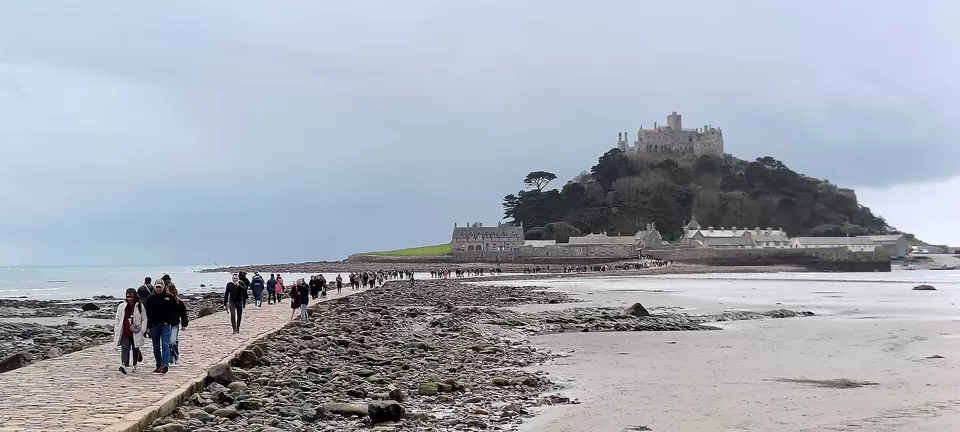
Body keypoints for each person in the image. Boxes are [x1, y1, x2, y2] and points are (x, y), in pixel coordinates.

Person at [144, 280, 177, 374]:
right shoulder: (150, 299)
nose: (158, 289)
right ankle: (158, 365)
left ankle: (165, 365)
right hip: (154, 326)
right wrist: (147, 327)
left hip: (166, 325)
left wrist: (172, 321)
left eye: (160, 287)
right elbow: (148, 313)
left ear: (163, 287)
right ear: (154, 287)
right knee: (156, 347)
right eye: (157, 287)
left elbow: (174, 311)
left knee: (165, 345)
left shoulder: (169, 297)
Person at [113, 288, 147, 374]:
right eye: (128, 297)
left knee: (135, 348)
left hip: (136, 332)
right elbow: (117, 319)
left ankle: (134, 365)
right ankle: (124, 365)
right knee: (125, 348)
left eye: (131, 297)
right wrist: (117, 329)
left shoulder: (139, 306)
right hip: (125, 331)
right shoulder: (122, 306)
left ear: (135, 296)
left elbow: (144, 318)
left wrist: (142, 330)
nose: (130, 299)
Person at [166, 284, 189, 366]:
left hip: (174, 324)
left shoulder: (178, 302)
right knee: (167, 342)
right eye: (166, 290)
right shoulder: (164, 301)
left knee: (172, 342)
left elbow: (183, 314)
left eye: (169, 290)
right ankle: (169, 359)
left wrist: (184, 323)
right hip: (165, 325)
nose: (167, 292)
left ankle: (176, 355)